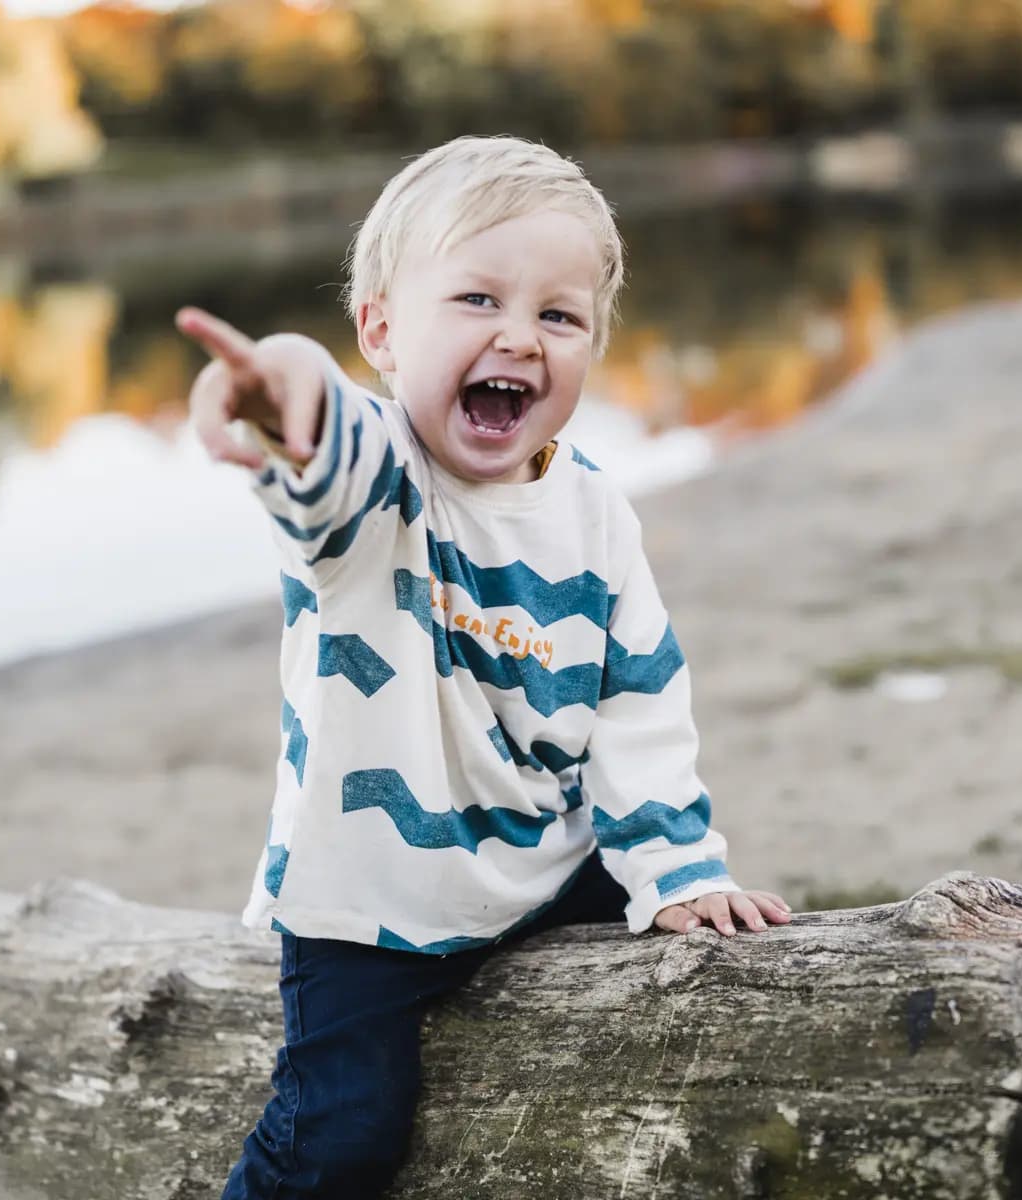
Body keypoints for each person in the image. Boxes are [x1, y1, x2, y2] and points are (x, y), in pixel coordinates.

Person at [177, 135, 791, 1200]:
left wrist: (676, 866)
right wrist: (286, 398)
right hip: (374, 888)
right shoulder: (378, 484)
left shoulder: (595, 511)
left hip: (543, 863)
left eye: (559, 316)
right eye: (476, 299)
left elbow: (637, 699)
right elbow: (326, 465)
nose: (521, 335)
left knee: (709, 973)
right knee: (341, 1133)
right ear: (379, 329)